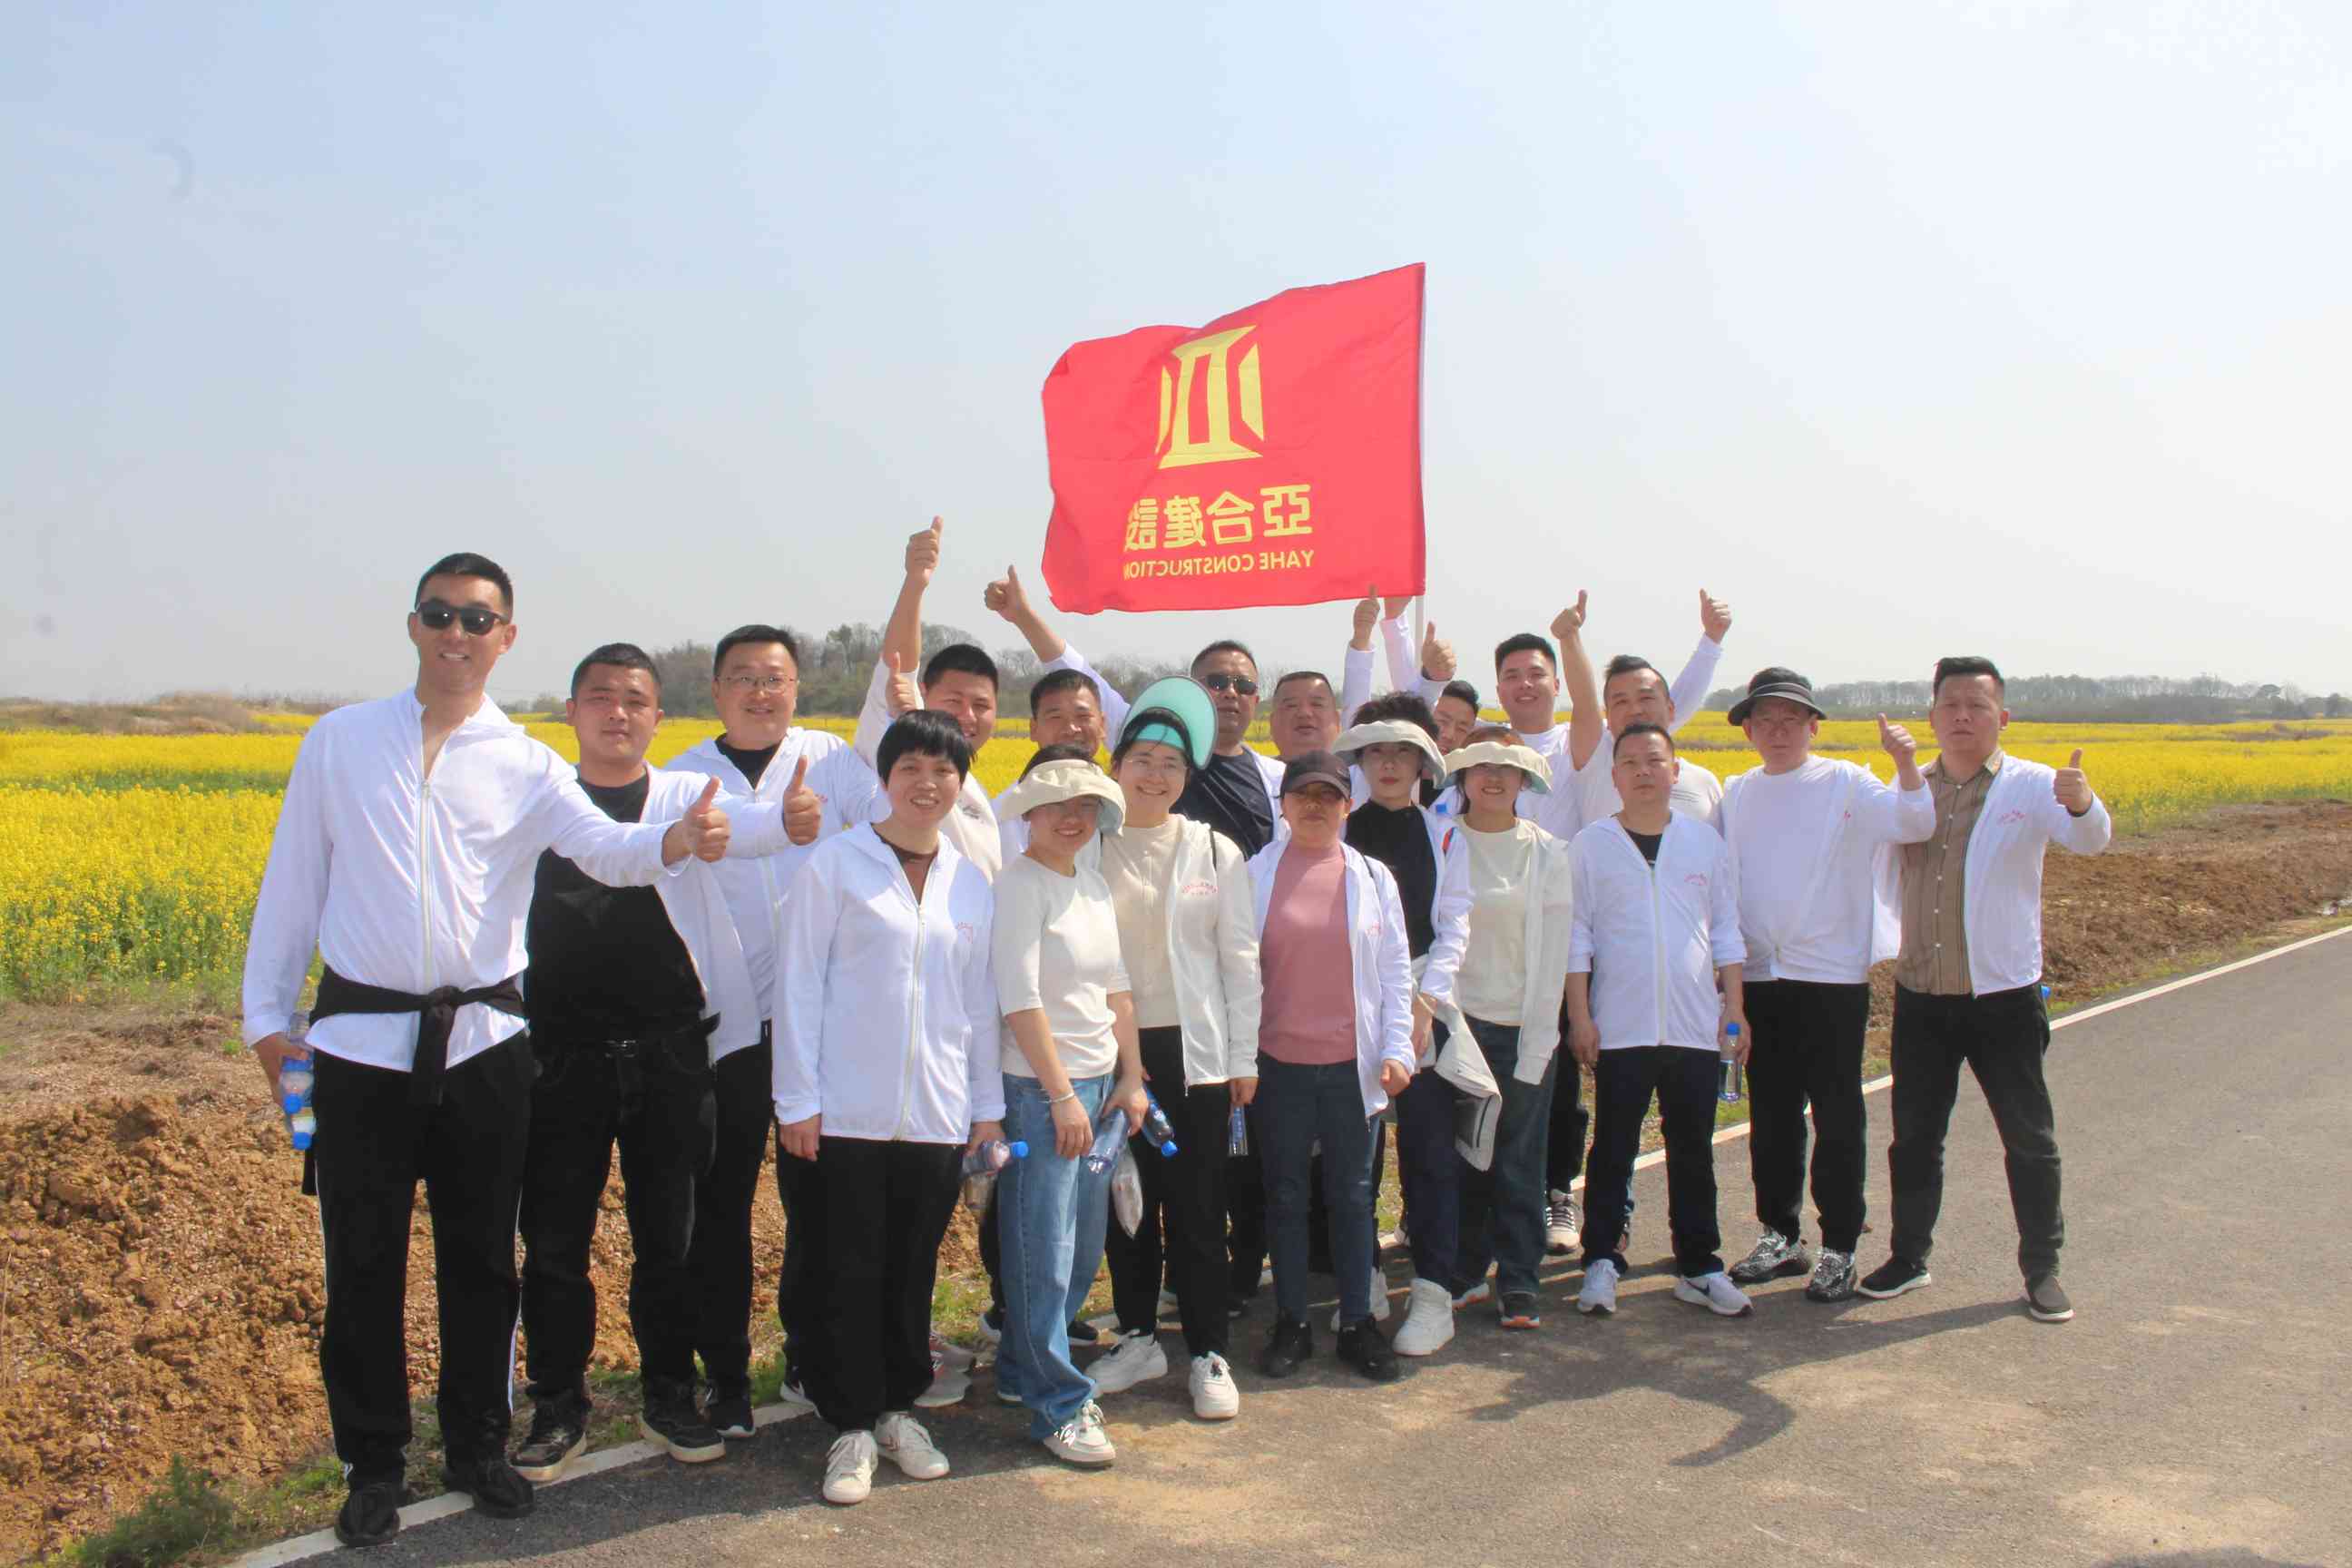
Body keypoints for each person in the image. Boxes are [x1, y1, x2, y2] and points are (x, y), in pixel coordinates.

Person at [240, 554, 739, 1548]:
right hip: (359, 1044)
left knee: (482, 1262)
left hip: (485, 1046)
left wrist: (676, 842)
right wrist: (266, 1019)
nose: (457, 634)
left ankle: (477, 1446)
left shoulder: (525, 762)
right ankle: (373, 1463)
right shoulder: (342, 741)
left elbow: (606, 850)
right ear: (414, 625)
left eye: (478, 619)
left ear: (506, 638)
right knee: (363, 1265)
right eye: (440, 614)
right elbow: (295, 882)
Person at [513, 646, 766, 1483]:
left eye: (634, 700)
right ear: (571, 712)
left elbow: (754, 828)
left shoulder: (690, 796)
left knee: (671, 1241)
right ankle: (558, 1405)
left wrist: (792, 820)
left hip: (670, 1056)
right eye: (599, 698)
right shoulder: (537, 804)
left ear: (659, 717)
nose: (616, 713)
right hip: (560, 1060)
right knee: (555, 1244)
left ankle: (669, 1393)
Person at [773, 710, 1005, 1505]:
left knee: (911, 1269)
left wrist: (985, 1109)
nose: (927, 783)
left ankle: (899, 1410)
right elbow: (799, 984)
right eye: (911, 767)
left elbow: (978, 1006)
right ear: (884, 777)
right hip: (845, 1113)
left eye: (943, 771)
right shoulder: (836, 863)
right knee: (846, 1268)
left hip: (935, 1115)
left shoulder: (969, 882)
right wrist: (797, 1101)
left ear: (961, 784)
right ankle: (848, 1424)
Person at [669, 622, 878, 1428]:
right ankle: (723, 1374)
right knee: (719, 1205)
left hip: (821, 1025)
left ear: (798, 689)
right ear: (717, 690)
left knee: (818, 1203)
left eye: (776, 678)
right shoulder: (681, 777)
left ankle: (810, 1355)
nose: (761, 693)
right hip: (725, 1028)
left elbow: (893, 820)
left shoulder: (833, 760)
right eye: (744, 678)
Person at [1857, 657, 2110, 1324]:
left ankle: (2042, 1270)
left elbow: (2090, 840)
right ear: (1933, 715)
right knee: (1914, 1139)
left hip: (2003, 997)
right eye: (1951, 705)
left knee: (2029, 1138)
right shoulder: (1910, 786)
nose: (1963, 717)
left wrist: (2082, 801)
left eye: (1978, 705)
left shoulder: (2033, 784)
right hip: (1922, 994)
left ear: (2003, 717)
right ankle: (1908, 1257)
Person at [1718, 669, 1933, 1303]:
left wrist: (1906, 763)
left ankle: (1839, 1245)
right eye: (1765, 721)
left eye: (1792, 720)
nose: (1778, 731)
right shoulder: (1737, 793)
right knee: (1771, 1114)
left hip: (1831, 978)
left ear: (1813, 727)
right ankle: (1780, 1234)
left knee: (1837, 1115)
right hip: (1763, 976)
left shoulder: (1846, 782)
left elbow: (1915, 822)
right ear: (1749, 731)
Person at [1090, 681, 1265, 1419]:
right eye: (1142, 759)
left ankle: (1208, 1350)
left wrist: (1242, 1058)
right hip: (1110, 1054)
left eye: (1170, 764)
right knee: (1126, 1202)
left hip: (1196, 1056)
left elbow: (1240, 960)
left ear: (1187, 776)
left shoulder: (1214, 850)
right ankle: (1137, 1336)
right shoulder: (1088, 845)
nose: (1155, 775)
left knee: (1197, 1208)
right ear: (1116, 765)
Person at [1540, 590, 1731, 1256]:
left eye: (1645, 697)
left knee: (1689, 1133)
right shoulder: (1598, 759)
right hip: (1614, 975)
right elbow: (1585, 702)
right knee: (1617, 1125)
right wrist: (1570, 640)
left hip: (1688, 989)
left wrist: (1711, 641)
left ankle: (1697, 1257)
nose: (1631, 708)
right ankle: (1608, 1236)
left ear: (1671, 709)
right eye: (1617, 700)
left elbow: (1722, 903)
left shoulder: (1702, 785)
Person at [990, 750, 1144, 1466]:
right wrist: (1058, 1096)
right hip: (1039, 1092)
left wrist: (1131, 1077)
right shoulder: (1019, 885)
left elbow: (1117, 988)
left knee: (1080, 1249)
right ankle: (1058, 1404)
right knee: (1043, 1252)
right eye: (1057, 806)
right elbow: (1018, 999)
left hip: (1097, 1088)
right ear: (1029, 813)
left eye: (1086, 806)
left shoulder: (1090, 882)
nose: (1072, 818)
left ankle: (1020, 1370)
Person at [1568, 724, 1750, 1320]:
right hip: (1620, 1025)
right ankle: (1601, 1259)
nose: (1643, 771)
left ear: (1675, 771)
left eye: (1654, 761)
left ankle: (1699, 1266)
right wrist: (1580, 1016)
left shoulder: (1703, 843)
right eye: (1630, 763)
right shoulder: (1591, 845)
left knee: (1692, 1147)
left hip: (1695, 1026)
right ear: (1614, 776)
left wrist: (1734, 1008)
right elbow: (1577, 937)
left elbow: (1726, 929)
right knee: (1613, 1145)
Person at [1246, 750, 1416, 1383]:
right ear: (1284, 804)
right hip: (1278, 1068)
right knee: (1285, 1196)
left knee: (1352, 1197)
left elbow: (1395, 972)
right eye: (1303, 795)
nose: (1315, 806)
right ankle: (1291, 1321)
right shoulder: (1254, 875)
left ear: (1348, 805)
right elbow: (1234, 972)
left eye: (1329, 795)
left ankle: (1356, 1323)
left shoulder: (1373, 877)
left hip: (1352, 1068)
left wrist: (1397, 1048)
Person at [1331, 699, 1472, 1354]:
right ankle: (1362, 1283)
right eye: (1376, 753)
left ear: (1423, 763)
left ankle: (1434, 1292)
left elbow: (1454, 927)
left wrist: (1425, 1004)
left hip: (1421, 1007)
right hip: (1349, 1008)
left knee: (1430, 1153)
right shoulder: (1336, 831)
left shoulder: (1444, 836)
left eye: (1403, 753)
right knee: (1353, 1158)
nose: (1389, 764)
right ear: (1360, 762)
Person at [1437, 727, 1576, 1330]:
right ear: (1462, 776)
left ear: (1524, 779)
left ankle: (1519, 1279)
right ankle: (1466, 1269)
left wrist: (1542, 1034)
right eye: (1481, 766)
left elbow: (1556, 950)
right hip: (1457, 1027)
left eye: (1506, 768)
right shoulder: (1442, 841)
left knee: (1520, 1157)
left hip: (1523, 1026)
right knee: (1465, 1155)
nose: (1493, 778)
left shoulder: (1548, 852)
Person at [857, 518, 1004, 879]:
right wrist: (915, 584)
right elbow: (899, 666)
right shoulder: (896, 734)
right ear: (924, 695)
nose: (967, 716)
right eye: (953, 701)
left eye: (981, 706)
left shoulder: (977, 795)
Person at [999, 666, 1110, 862]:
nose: (1071, 729)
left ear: (1102, 725)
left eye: (1083, 717)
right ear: (1033, 728)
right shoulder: (1007, 812)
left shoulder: (1114, 803)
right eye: (1056, 717)